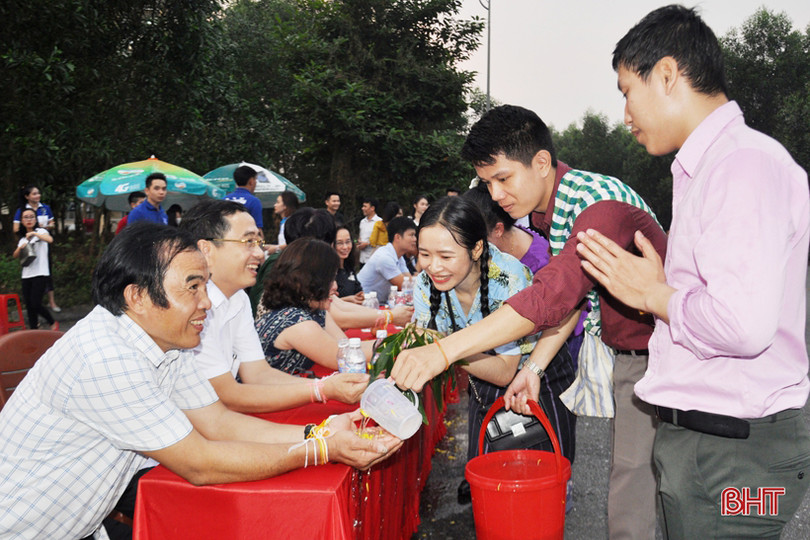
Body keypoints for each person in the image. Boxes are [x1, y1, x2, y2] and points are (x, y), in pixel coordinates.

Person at [0, 222, 400, 540]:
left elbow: (219, 422)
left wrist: (319, 431)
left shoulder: (165, 341)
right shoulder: (107, 358)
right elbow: (200, 463)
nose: (206, 301)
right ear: (138, 296)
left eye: (204, 285)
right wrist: (320, 450)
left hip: (81, 524)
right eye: (192, 287)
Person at [575, 6, 810, 538]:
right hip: (715, 442)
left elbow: (743, 326)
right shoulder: (709, 166)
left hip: (732, 450)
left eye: (626, 91)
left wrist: (656, 295)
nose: (626, 114)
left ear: (666, 74)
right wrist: (666, 290)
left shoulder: (741, 165)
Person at [391, 104, 668, 540]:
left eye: (503, 178)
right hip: (634, 354)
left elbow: (553, 295)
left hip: (657, 352)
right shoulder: (547, 212)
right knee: (648, 480)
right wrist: (534, 368)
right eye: (486, 183)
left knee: (636, 488)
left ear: (542, 163)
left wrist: (445, 349)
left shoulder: (595, 203)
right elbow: (575, 299)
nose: (496, 195)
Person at [414, 197, 575, 496]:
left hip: (538, 378)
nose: (433, 266)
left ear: (476, 248)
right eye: (424, 254)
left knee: (539, 489)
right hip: (482, 381)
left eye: (445, 256)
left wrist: (444, 350)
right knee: (489, 487)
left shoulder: (508, 276)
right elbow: (423, 340)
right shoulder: (426, 284)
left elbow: (503, 372)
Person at [180, 200, 369, 413]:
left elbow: (258, 374)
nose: (260, 254)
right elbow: (228, 395)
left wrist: (324, 388)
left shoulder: (238, 298)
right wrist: (321, 390)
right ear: (206, 249)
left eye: (259, 243)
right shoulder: (189, 309)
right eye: (248, 242)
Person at [463, 185, 587, 365]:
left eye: (474, 237)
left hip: (556, 345)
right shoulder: (504, 243)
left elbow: (560, 313)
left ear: (498, 229)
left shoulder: (540, 264)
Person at [257, 237, 375, 374]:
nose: (335, 286)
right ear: (308, 281)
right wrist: (398, 343)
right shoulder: (295, 321)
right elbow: (342, 358)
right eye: (329, 280)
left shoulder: (314, 309)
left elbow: (346, 346)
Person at [13, 185, 60, 312]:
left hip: (43, 240)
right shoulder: (22, 210)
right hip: (28, 244)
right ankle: (36, 312)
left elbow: (52, 224)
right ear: (27, 197)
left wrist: (42, 229)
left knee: (46, 271)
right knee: (30, 277)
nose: (37, 196)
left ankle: (52, 301)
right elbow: (16, 229)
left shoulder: (45, 208)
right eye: (34, 194)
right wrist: (28, 232)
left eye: (38, 193)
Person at [12, 208, 58, 331]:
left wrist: (34, 234)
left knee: (35, 303)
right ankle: (33, 330)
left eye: (31, 217)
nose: (29, 220)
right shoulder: (23, 238)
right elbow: (15, 255)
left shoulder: (41, 231)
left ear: (36, 219)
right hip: (26, 274)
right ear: (22, 220)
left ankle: (51, 321)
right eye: (26, 217)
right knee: (29, 306)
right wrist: (20, 247)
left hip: (41, 272)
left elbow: (50, 240)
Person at [357, 216, 416, 302]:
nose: (415, 239)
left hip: (376, 304)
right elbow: (405, 288)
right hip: (362, 303)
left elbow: (409, 282)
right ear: (398, 237)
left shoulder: (398, 257)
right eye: (411, 235)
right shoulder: (385, 258)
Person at [224, 165, 264, 230]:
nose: (256, 182)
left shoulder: (224, 200)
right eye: (255, 179)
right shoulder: (254, 201)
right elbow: (257, 229)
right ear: (251, 181)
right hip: (245, 238)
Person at [335, 225, 364, 304]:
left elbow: (358, 290)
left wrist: (361, 296)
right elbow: (324, 303)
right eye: (339, 243)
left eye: (348, 242)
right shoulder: (328, 272)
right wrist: (347, 300)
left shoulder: (349, 267)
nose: (345, 247)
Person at [356, 197, 381, 265]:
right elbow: (360, 237)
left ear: (372, 208)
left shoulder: (380, 222)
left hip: (373, 260)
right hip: (362, 259)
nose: (362, 208)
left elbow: (381, 242)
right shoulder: (362, 222)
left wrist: (366, 244)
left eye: (365, 206)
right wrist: (358, 242)